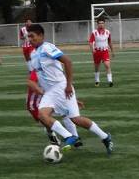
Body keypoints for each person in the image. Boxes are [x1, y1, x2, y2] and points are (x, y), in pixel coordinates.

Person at [27, 23, 113, 155]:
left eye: (32, 36)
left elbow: (67, 61)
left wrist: (68, 85)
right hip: (50, 92)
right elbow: (37, 76)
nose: (30, 39)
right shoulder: (33, 54)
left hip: (60, 87)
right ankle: (69, 136)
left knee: (76, 119)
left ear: (41, 36)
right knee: (42, 115)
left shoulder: (47, 48)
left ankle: (105, 137)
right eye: (28, 37)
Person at [26, 69, 82, 147]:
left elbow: (60, 87)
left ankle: (75, 138)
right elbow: (30, 83)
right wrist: (44, 93)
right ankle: (54, 139)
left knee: (66, 112)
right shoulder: (38, 68)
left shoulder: (53, 69)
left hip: (52, 97)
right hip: (35, 103)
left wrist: (73, 100)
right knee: (46, 122)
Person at [88, 18, 114, 87]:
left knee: (107, 65)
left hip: (105, 51)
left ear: (104, 24)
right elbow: (90, 42)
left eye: (102, 23)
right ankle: (97, 81)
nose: (101, 24)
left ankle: (110, 81)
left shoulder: (108, 32)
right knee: (97, 67)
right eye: (100, 23)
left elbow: (110, 42)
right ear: (97, 24)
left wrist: (112, 51)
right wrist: (92, 49)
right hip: (97, 52)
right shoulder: (94, 32)